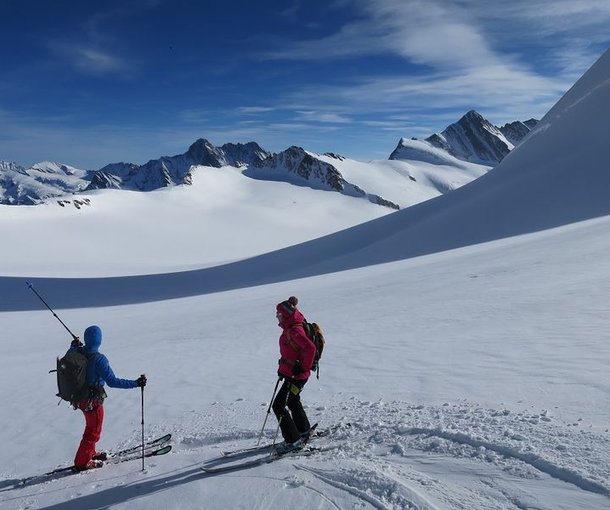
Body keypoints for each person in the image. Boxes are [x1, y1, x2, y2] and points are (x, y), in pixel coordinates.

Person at [67, 325, 147, 471]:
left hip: (80, 399)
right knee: (93, 432)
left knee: (91, 428)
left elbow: (69, 356)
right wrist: (136, 383)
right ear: (99, 341)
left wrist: (73, 346)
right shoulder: (99, 360)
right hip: (93, 402)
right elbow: (113, 382)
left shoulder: (77, 352)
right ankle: (82, 462)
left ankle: (89, 452)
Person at [272, 297, 316, 451]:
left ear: (285, 314)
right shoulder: (291, 327)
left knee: (278, 405)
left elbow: (310, 349)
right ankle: (303, 430)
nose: (277, 317)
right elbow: (292, 353)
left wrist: (303, 368)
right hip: (293, 375)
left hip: (297, 377)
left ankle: (293, 441)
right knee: (292, 400)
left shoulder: (294, 330)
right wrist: (283, 368)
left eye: (279, 314)